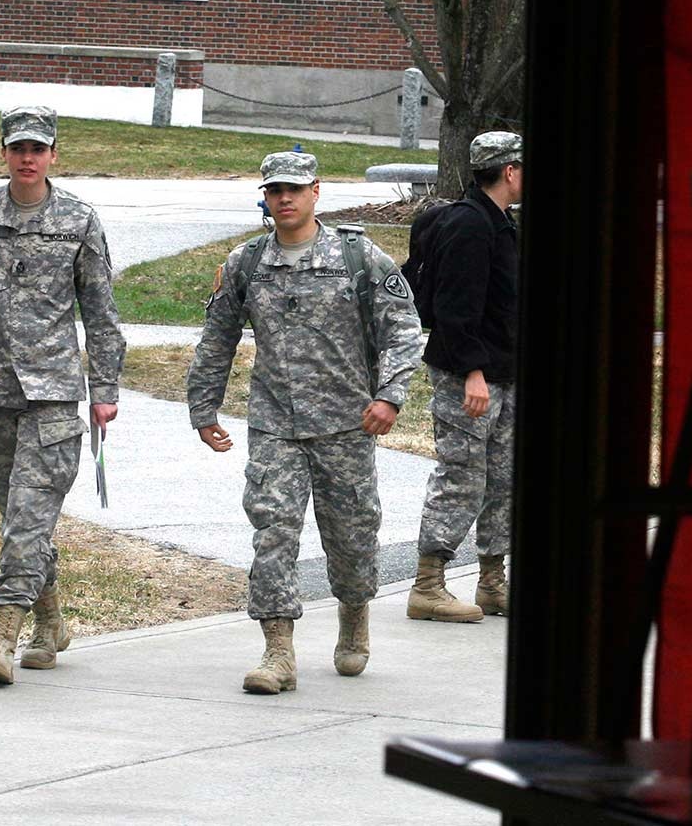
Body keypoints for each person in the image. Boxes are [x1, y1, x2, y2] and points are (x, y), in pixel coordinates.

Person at [187, 151, 424, 693]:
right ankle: (277, 652)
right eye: (275, 191)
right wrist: (204, 408)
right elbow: (217, 339)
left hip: (348, 424)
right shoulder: (247, 262)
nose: (285, 199)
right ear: (265, 197)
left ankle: (354, 614)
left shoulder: (358, 256)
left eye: (294, 188)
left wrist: (389, 396)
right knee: (273, 532)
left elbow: (403, 329)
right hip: (276, 425)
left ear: (316, 191)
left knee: (352, 537)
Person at [0, 106, 124, 686]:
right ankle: (51, 620)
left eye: (38, 149)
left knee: (27, 517)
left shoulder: (79, 221)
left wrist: (105, 388)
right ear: (5, 153)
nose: (27, 159)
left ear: (53, 155)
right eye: (18, 149)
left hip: (55, 397)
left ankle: (1, 635)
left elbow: (103, 313)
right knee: (16, 514)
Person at [407, 131, 522, 623]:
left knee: (501, 480)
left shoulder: (499, 223)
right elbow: (455, 309)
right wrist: (473, 371)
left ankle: (492, 581)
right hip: (469, 376)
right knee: (461, 478)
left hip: (504, 373)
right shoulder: (470, 226)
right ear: (510, 172)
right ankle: (427, 585)